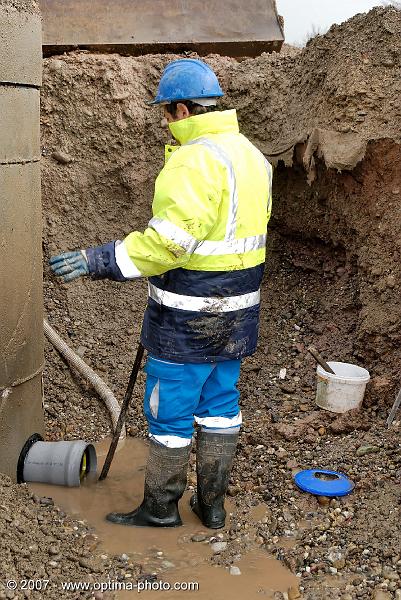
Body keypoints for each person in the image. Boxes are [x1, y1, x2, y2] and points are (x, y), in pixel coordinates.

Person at [50, 58, 272, 529]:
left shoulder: (194, 160)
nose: (166, 127)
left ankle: (160, 508)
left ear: (183, 110)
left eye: (167, 115)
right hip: (238, 312)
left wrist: (99, 260)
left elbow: (168, 245)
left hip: (187, 316)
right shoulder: (251, 156)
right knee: (219, 404)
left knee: (168, 411)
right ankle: (211, 506)